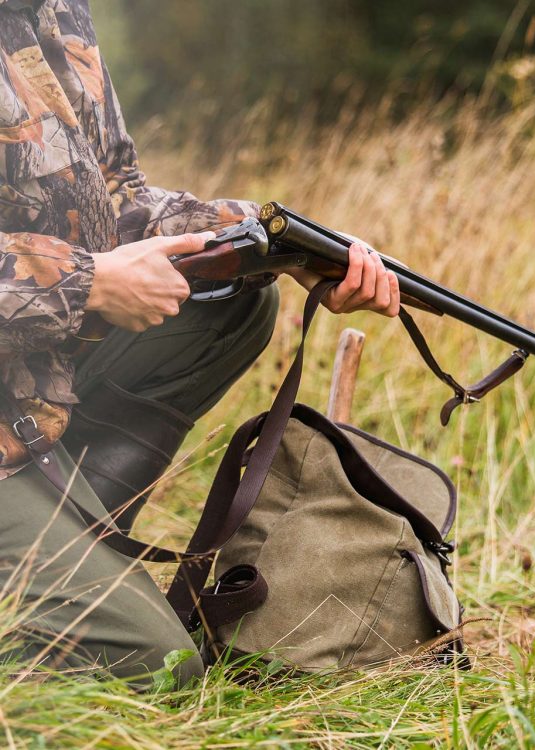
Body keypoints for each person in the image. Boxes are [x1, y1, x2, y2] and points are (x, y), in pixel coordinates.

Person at [0, 0, 400, 686]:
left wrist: (281, 244)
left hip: (24, 412)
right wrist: (86, 284)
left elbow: (119, 194)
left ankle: (60, 547)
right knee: (157, 666)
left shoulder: (54, 12)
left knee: (231, 298)